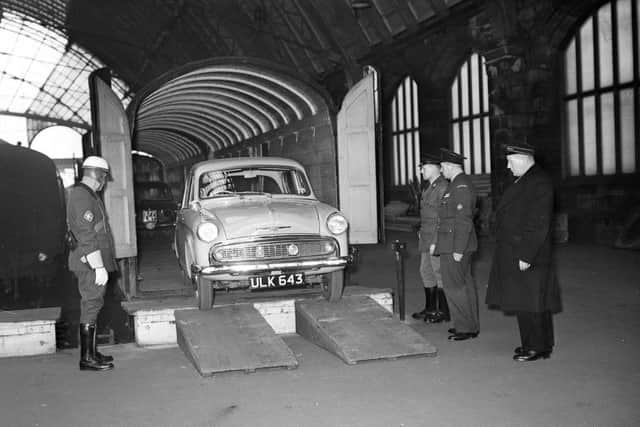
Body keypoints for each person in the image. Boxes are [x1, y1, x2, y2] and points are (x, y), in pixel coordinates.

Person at [486, 140, 562, 362]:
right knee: (526, 300)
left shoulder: (539, 182)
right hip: (515, 249)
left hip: (529, 252)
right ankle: (536, 344)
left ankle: (537, 347)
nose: (508, 167)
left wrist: (526, 254)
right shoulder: (526, 179)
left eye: (510, 162)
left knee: (532, 301)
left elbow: (539, 223)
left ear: (522, 159)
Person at [66, 156, 116, 371]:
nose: (104, 181)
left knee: (94, 303)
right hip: (88, 262)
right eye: (104, 176)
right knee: (91, 303)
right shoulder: (82, 196)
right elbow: (86, 235)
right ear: (98, 174)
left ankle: (91, 352)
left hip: (91, 261)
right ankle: (87, 358)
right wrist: (98, 266)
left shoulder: (87, 194)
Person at [434, 148, 479, 341]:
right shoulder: (457, 184)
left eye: (443, 167)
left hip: (455, 245)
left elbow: (464, 219)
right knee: (463, 284)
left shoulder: (460, 186)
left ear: (452, 166)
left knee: (454, 286)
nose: (441, 171)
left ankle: (464, 328)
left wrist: (458, 249)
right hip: (452, 242)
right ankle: (469, 325)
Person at [411, 153, 450, 323]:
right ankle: (430, 308)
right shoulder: (430, 187)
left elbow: (443, 217)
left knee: (438, 272)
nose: (421, 171)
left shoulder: (442, 187)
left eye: (424, 167)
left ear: (436, 168)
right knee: (425, 270)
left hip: (435, 237)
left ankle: (443, 311)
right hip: (427, 235)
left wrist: (436, 240)